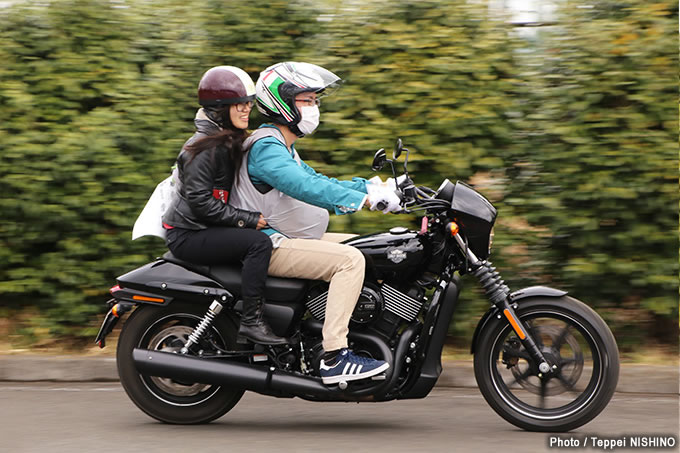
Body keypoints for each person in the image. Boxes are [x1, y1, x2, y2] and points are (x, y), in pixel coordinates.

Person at [230, 62, 400, 385]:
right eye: (306, 101)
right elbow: (307, 188)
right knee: (350, 261)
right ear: (282, 102)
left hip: (288, 237)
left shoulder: (282, 144)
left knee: (371, 247)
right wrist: (364, 200)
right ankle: (335, 356)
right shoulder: (266, 146)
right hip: (272, 244)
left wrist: (372, 187)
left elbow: (317, 178)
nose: (314, 108)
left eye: (315, 101)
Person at [162, 65, 288, 345]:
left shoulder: (226, 140)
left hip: (203, 227)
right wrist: (247, 219)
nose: (246, 109)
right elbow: (200, 203)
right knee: (258, 244)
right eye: (238, 104)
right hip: (188, 233)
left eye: (248, 103)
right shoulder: (204, 148)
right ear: (220, 109)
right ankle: (251, 321)